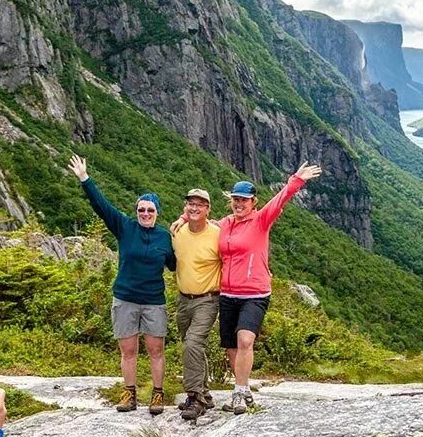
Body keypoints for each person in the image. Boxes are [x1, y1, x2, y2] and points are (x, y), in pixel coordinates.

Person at [173, 163, 321, 414]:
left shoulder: (261, 220)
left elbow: (280, 199)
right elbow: (203, 221)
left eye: (244, 200)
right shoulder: (225, 224)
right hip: (228, 294)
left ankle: (239, 392)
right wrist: (185, 217)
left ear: (253, 202)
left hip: (255, 293)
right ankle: (243, 389)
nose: (239, 204)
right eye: (235, 199)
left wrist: (296, 180)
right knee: (231, 344)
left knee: (245, 339)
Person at [68, 154, 176, 414]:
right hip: (125, 298)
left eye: (150, 210)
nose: (145, 213)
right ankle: (130, 393)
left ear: (157, 212)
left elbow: (174, 264)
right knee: (128, 350)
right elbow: (101, 206)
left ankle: (157, 394)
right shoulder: (125, 227)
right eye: (141, 210)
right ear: (136, 211)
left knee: (156, 350)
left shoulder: (165, 236)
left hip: (153, 301)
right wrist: (85, 179)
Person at [171, 188, 222, 421]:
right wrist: (180, 220)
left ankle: (195, 398)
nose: (194, 208)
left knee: (192, 343)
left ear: (207, 209)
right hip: (183, 299)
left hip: (208, 299)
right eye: (190, 203)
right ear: (185, 207)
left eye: (200, 204)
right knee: (191, 345)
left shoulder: (217, 234)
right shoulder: (178, 231)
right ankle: (206, 393)